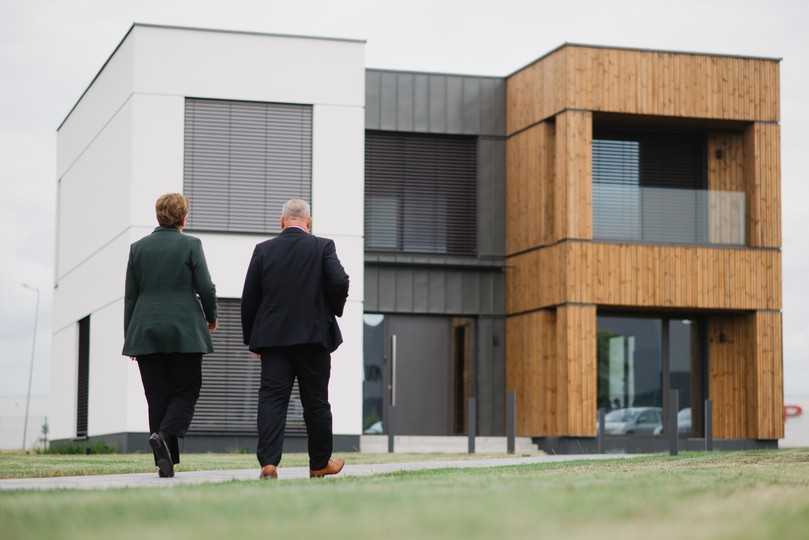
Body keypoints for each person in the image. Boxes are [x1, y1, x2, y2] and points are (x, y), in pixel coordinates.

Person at [241, 199, 349, 480]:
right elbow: (340, 281)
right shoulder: (323, 246)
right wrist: (331, 309)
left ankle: (269, 463)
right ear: (308, 222)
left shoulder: (263, 250)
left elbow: (250, 298)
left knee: (272, 400)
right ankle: (319, 464)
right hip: (314, 339)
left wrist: (253, 340)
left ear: (282, 222)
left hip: (274, 341)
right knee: (316, 402)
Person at [122, 193, 217, 478]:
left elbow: (130, 297)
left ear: (158, 216)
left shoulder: (137, 248)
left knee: (157, 396)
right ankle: (163, 436)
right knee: (187, 390)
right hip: (185, 330)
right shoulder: (191, 244)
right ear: (184, 217)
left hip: (145, 331)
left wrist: (130, 337)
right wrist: (211, 318)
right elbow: (206, 287)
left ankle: (165, 461)